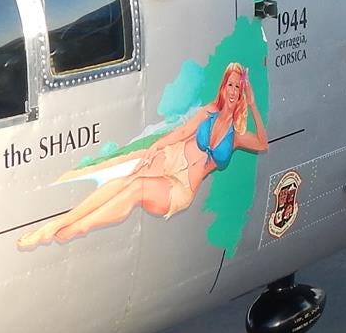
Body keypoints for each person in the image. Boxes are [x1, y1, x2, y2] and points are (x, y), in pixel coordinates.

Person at [18, 63, 269, 249]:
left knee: (136, 188)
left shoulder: (237, 135)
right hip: (172, 156)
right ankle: (59, 223)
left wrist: (254, 104)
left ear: (242, 92)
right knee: (129, 178)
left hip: (180, 186)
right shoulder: (208, 112)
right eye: (230, 84)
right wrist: (156, 147)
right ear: (223, 87)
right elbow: (182, 132)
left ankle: (78, 227)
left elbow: (262, 143)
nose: (233, 90)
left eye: (238, 86)